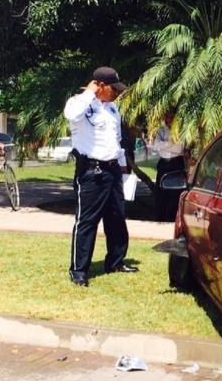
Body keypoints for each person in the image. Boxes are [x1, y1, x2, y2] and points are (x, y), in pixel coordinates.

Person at [64, 67, 137, 287]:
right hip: (91, 171)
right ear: (100, 86)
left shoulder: (113, 109)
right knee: (87, 222)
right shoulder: (80, 104)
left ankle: (115, 261)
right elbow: (71, 114)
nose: (117, 93)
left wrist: (123, 168)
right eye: (113, 89)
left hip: (113, 170)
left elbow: (116, 141)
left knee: (117, 217)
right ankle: (79, 271)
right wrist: (90, 92)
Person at [151, 115, 186, 221]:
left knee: (175, 193)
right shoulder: (161, 130)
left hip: (176, 163)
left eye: (171, 116)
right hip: (163, 164)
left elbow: (179, 148)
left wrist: (164, 145)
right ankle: (160, 217)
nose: (169, 119)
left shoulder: (181, 130)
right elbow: (155, 146)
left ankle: (171, 218)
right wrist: (171, 143)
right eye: (168, 116)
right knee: (161, 191)